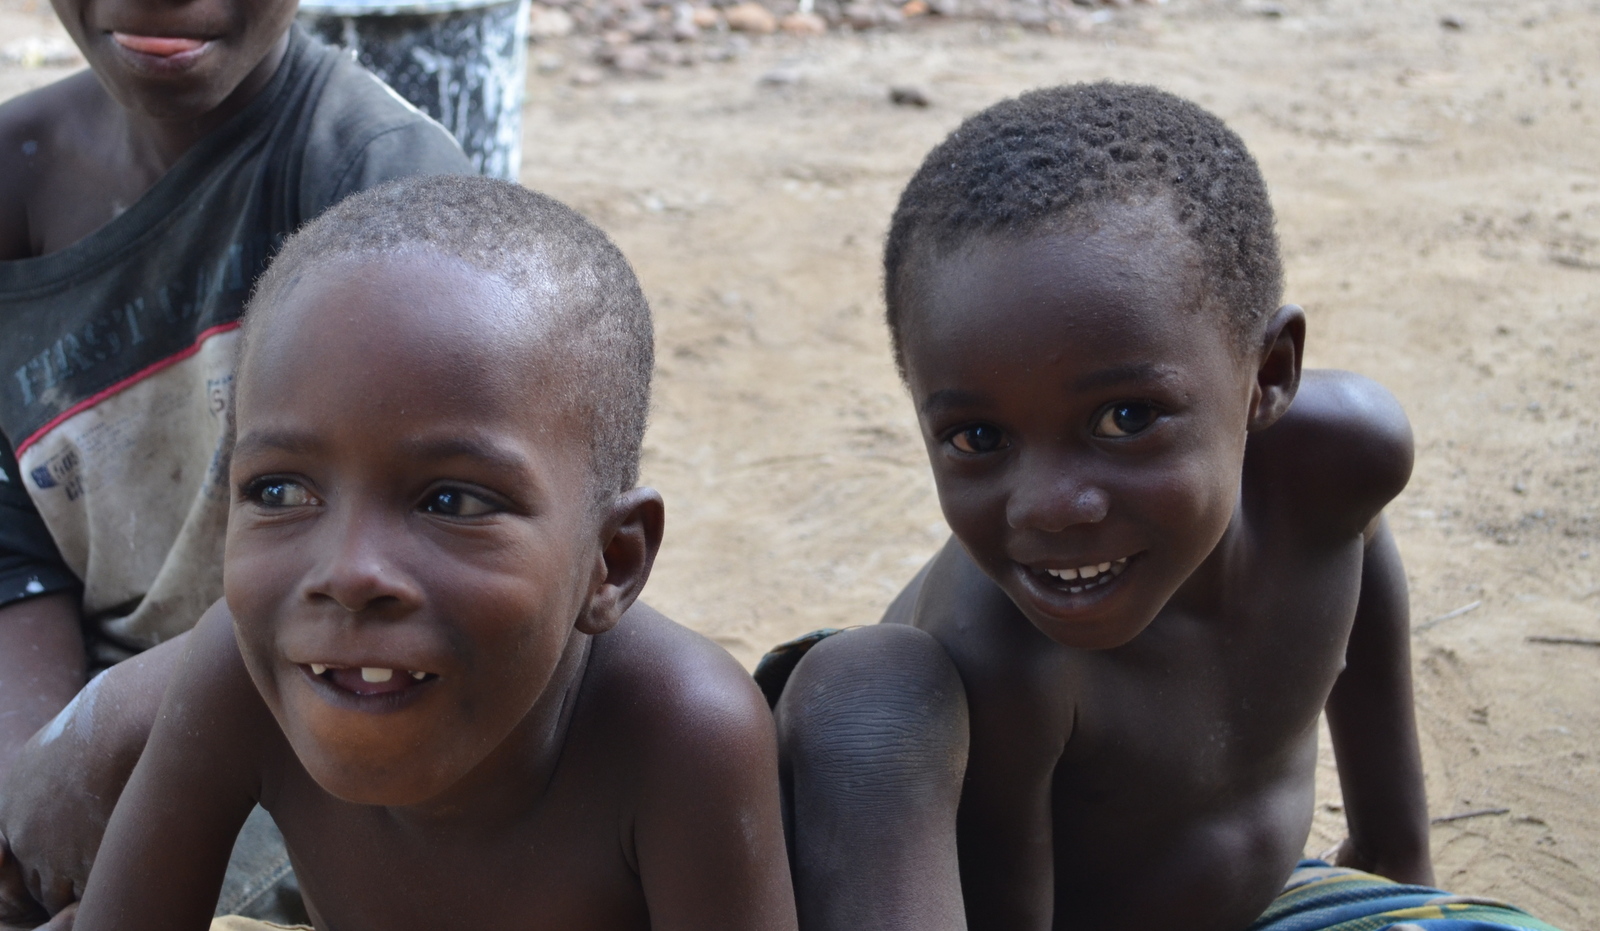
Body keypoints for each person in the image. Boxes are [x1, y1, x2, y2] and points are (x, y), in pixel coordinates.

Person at [764, 83, 1563, 931]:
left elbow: (1355, 557)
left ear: (1268, 374)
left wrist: (1395, 849)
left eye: (1127, 418)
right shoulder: (1001, 653)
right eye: (978, 437)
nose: (1052, 507)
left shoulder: (1340, 461)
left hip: (1271, 898)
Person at [69, 174, 798, 931]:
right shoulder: (236, 673)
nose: (350, 573)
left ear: (612, 560)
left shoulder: (682, 733)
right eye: (280, 491)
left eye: (454, 502)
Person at [0, 0, 470, 918]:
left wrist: (105, 734)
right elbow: (12, 550)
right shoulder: (16, 179)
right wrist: (30, 773)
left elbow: (402, 562)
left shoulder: (375, 181)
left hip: (327, 713)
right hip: (81, 692)